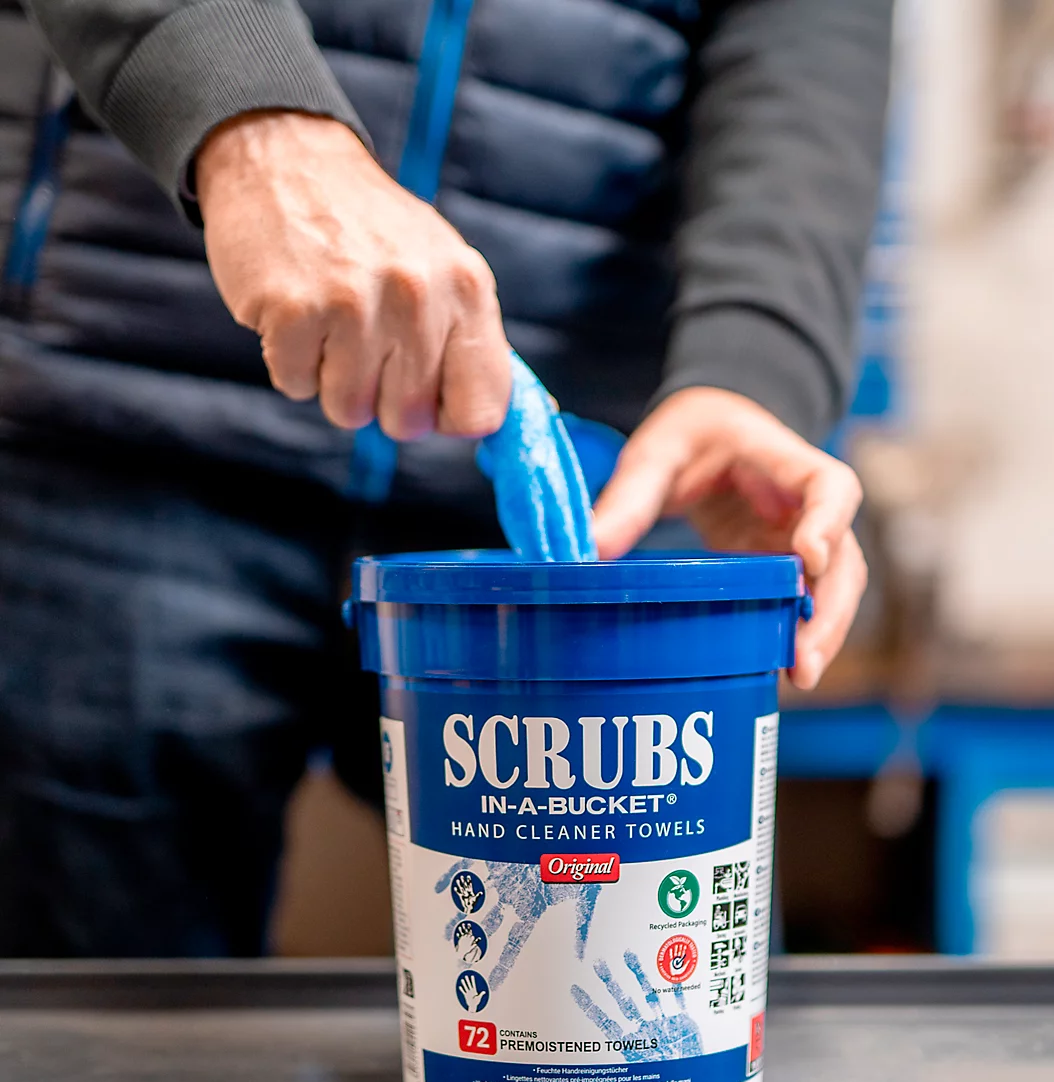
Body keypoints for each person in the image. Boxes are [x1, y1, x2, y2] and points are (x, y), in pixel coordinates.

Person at [0, 0, 891, 954]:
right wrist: (249, 120)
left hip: (610, 496)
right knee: (103, 1022)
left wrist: (754, 365)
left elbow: (806, 32)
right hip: (124, 423)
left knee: (649, 1010)